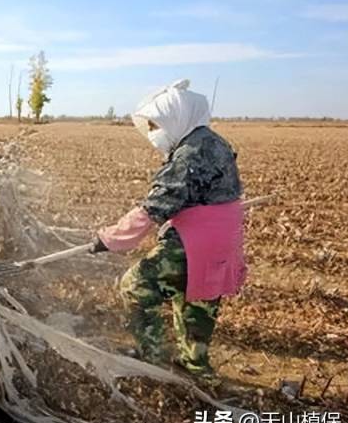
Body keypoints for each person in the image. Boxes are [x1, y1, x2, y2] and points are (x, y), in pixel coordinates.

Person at [89, 79, 246, 376]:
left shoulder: (191, 153)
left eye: (155, 125)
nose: (153, 134)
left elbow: (156, 206)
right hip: (224, 238)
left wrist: (109, 239)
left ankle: (154, 358)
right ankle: (197, 369)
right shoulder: (214, 141)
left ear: (176, 117)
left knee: (135, 286)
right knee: (197, 302)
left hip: (197, 241)